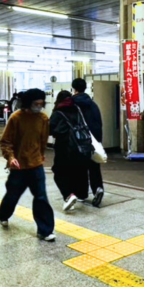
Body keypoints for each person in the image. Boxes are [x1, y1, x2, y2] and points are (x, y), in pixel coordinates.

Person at [0, 88, 56, 241]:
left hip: (36, 165)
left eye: (41, 103)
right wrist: (10, 158)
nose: (39, 106)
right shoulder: (16, 118)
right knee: (12, 195)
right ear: (28, 103)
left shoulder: (43, 118)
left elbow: (43, 141)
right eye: (36, 103)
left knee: (41, 197)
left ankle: (45, 230)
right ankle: (3, 214)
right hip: (19, 166)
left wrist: (40, 155)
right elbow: (5, 141)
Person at [49, 90, 91, 212]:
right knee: (79, 169)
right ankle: (82, 194)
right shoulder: (77, 109)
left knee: (59, 171)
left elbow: (50, 129)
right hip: (80, 144)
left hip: (64, 145)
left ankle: (68, 195)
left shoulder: (58, 112)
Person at [71, 78, 105, 207]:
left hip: (79, 140)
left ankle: (81, 194)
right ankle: (98, 188)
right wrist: (98, 141)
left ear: (74, 88)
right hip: (93, 140)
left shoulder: (73, 104)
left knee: (80, 168)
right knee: (94, 166)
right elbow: (98, 123)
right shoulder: (93, 104)